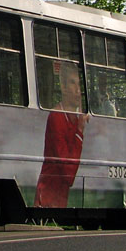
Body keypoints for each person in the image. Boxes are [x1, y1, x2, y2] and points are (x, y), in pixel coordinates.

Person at [34, 62, 88, 208]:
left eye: (79, 84)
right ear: (63, 87)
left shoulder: (75, 119)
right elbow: (68, 174)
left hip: (59, 199)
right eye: (72, 84)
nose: (78, 90)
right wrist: (80, 132)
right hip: (47, 199)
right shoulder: (57, 117)